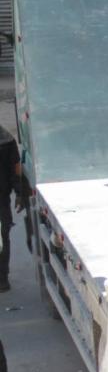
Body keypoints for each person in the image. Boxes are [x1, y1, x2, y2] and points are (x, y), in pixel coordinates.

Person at [0, 125, 20, 293]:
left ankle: (2, 279)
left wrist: (20, 192)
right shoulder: (6, 139)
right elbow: (15, 168)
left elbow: (14, 167)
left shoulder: (6, 140)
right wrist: (19, 193)